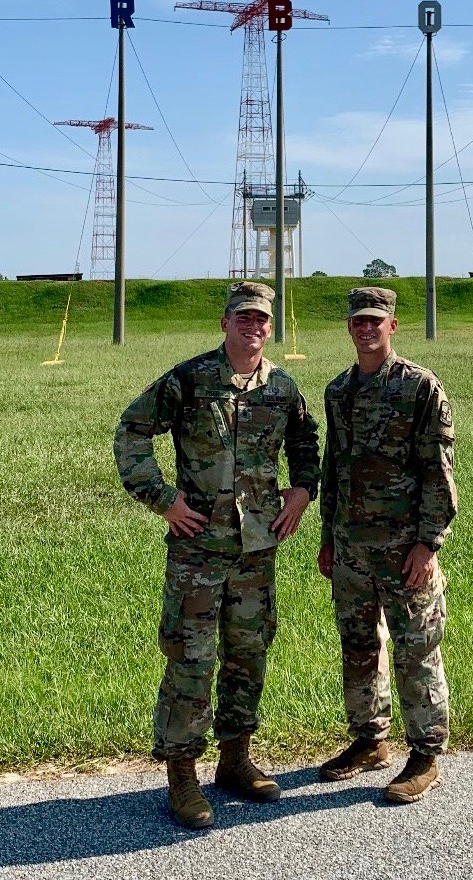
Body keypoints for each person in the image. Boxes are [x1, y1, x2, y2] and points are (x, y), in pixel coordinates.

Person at [114, 281, 320, 829]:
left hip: (255, 551)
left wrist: (302, 492)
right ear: (225, 323)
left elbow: (305, 444)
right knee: (191, 659)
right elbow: (132, 431)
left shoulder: (282, 387)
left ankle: (235, 760)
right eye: (242, 318)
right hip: (198, 550)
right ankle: (182, 774)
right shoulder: (189, 380)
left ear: (271, 327)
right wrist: (162, 499)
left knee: (248, 654)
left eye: (261, 319)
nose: (253, 327)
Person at [318, 286, 457, 803]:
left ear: (392, 326)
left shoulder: (419, 387)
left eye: (375, 320)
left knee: (416, 649)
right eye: (359, 320)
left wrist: (429, 543)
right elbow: (334, 467)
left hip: (405, 550)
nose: (367, 328)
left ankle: (425, 754)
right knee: (358, 648)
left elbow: (438, 470)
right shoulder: (339, 391)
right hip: (351, 548)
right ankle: (370, 740)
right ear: (349, 327)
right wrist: (328, 536)